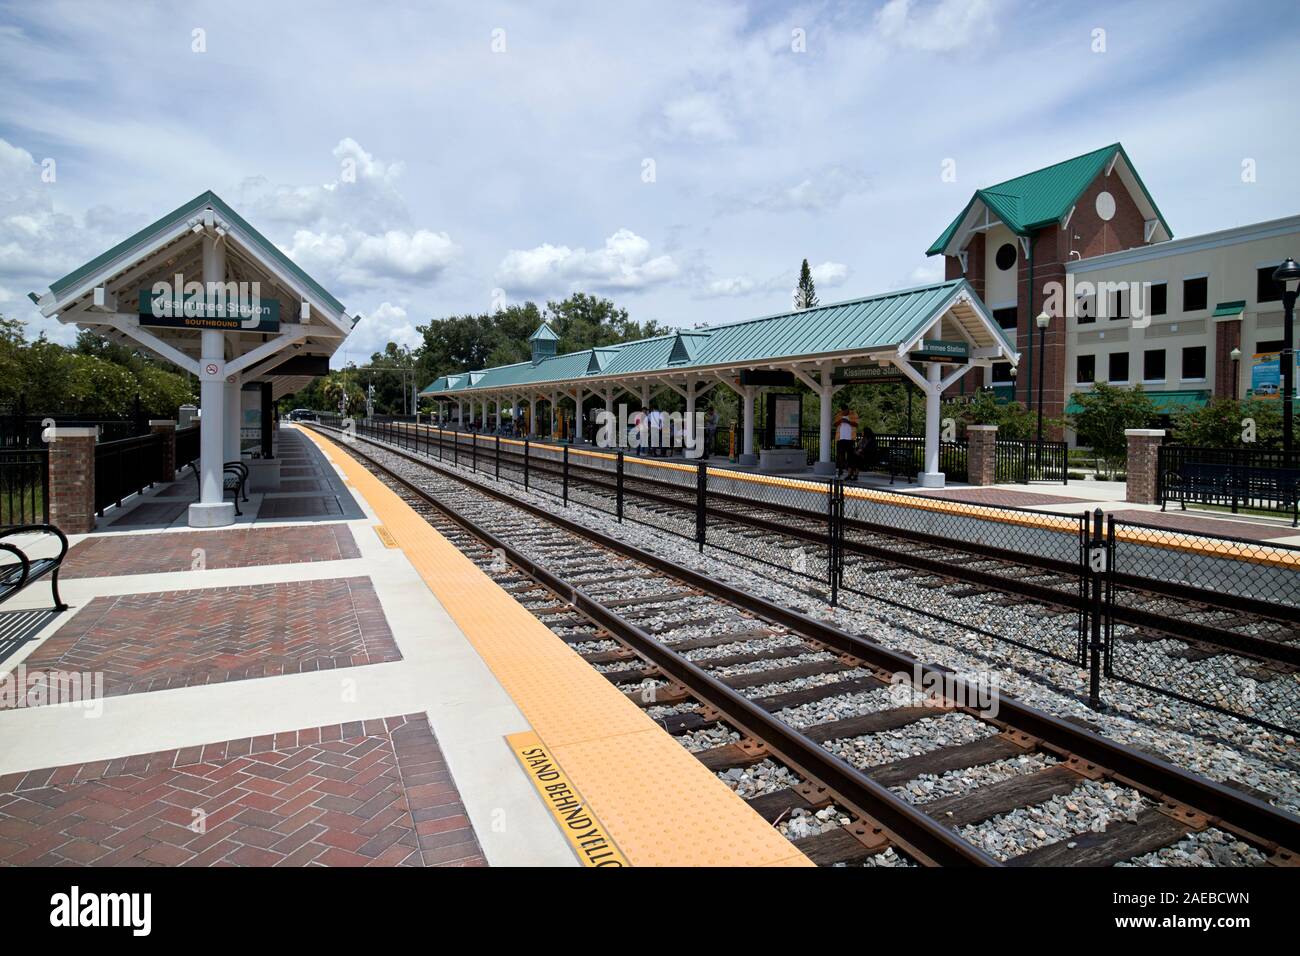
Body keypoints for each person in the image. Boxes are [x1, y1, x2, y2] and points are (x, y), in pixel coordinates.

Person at [833, 404, 858, 477]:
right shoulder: (839, 414)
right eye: (842, 411)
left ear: (848, 409)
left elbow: (856, 424)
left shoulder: (853, 414)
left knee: (850, 456)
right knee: (840, 455)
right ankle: (840, 470)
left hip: (850, 439)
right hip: (840, 438)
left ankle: (851, 472)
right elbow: (835, 424)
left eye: (845, 411)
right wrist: (840, 421)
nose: (843, 412)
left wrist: (848, 421)